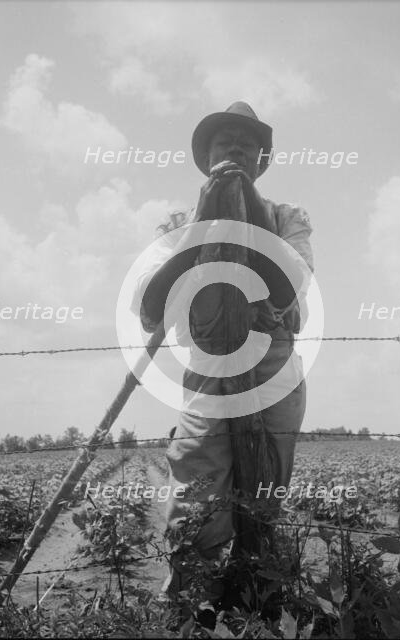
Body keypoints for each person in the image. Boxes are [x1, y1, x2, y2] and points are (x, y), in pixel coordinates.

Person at [133, 102, 314, 603]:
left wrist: (248, 212)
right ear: (204, 157)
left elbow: (289, 293)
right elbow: (150, 305)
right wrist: (200, 230)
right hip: (208, 367)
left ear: (261, 160)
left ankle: (257, 589)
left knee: (265, 493)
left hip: (274, 366)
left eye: (247, 142)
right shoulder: (175, 222)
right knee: (197, 483)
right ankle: (194, 596)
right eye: (223, 141)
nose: (235, 148)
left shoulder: (287, 217)